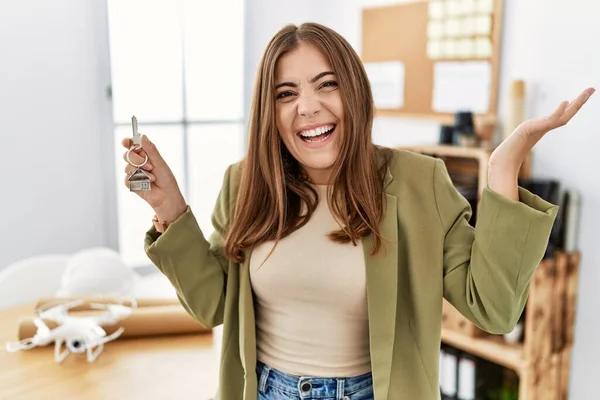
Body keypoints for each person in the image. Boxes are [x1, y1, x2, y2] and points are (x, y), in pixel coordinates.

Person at [121, 22, 594, 400]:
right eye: (286, 93)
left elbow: (492, 307)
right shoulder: (246, 182)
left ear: (354, 92)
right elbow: (214, 305)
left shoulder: (417, 182)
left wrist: (503, 166)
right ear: (269, 109)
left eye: (327, 85)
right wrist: (168, 207)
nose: (307, 107)